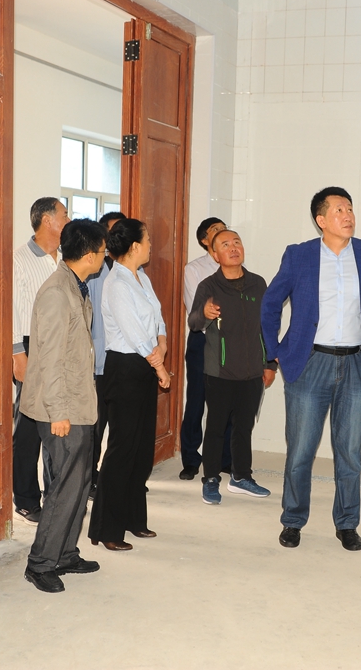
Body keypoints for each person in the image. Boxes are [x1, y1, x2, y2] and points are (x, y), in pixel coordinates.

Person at [261, 187, 361, 552]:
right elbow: (270, 303)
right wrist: (275, 353)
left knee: (349, 452)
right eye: (339, 210)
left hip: (355, 364)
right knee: (301, 451)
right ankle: (293, 520)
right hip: (310, 363)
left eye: (350, 209)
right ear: (321, 220)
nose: (348, 215)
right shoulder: (299, 255)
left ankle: (347, 523)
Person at [20, 218, 107, 593]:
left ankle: (66, 553)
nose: (104, 256)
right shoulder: (57, 293)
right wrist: (58, 413)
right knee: (63, 488)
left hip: (78, 404)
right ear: (89, 255)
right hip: (61, 408)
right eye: (102, 251)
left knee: (79, 483)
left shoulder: (75, 285)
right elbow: (51, 359)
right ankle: (40, 563)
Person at [88, 219, 171, 551]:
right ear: (135, 246)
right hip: (124, 368)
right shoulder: (116, 283)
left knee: (141, 449)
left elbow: (157, 317)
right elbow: (134, 332)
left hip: (145, 363)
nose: (151, 245)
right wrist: (160, 365)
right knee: (122, 448)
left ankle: (135, 519)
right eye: (148, 240)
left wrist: (162, 343)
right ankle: (107, 529)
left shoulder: (142, 277)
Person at [188, 229, 277, 505]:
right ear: (216, 255)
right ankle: (210, 478)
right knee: (215, 427)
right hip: (220, 371)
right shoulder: (209, 286)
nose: (233, 248)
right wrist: (204, 313)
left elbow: (267, 326)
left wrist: (270, 363)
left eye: (237, 242)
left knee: (244, 427)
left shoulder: (258, 283)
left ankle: (241, 477)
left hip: (252, 371)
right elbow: (193, 323)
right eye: (225, 245)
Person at [12, 197, 69, 523]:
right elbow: (12, 309)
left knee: (57, 421)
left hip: (60, 345)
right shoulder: (20, 259)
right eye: (64, 214)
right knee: (29, 426)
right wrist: (17, 353)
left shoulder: (63, 259)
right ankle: (25, 498)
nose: (68, 219)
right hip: (30, 345)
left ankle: (56, 494)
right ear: (47, 220)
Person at [179, 217, 233, 480]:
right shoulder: (194, 269)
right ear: (204, 240)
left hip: (230, 341)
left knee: (227, 402)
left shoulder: (235, 265)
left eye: (224, 228)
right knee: (196, 400)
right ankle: (190, 459)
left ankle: (225, 458)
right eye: (215, 230)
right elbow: (196, 309)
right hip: (202, 340)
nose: (222, 232)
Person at [86, 211, 126, 500]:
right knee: (95, 426)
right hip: (98, 361)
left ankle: (115, 475)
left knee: (120, 423)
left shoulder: (131, 268)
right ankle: (89, 478)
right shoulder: (95, 270)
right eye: (113, 231)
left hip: (122, 359)